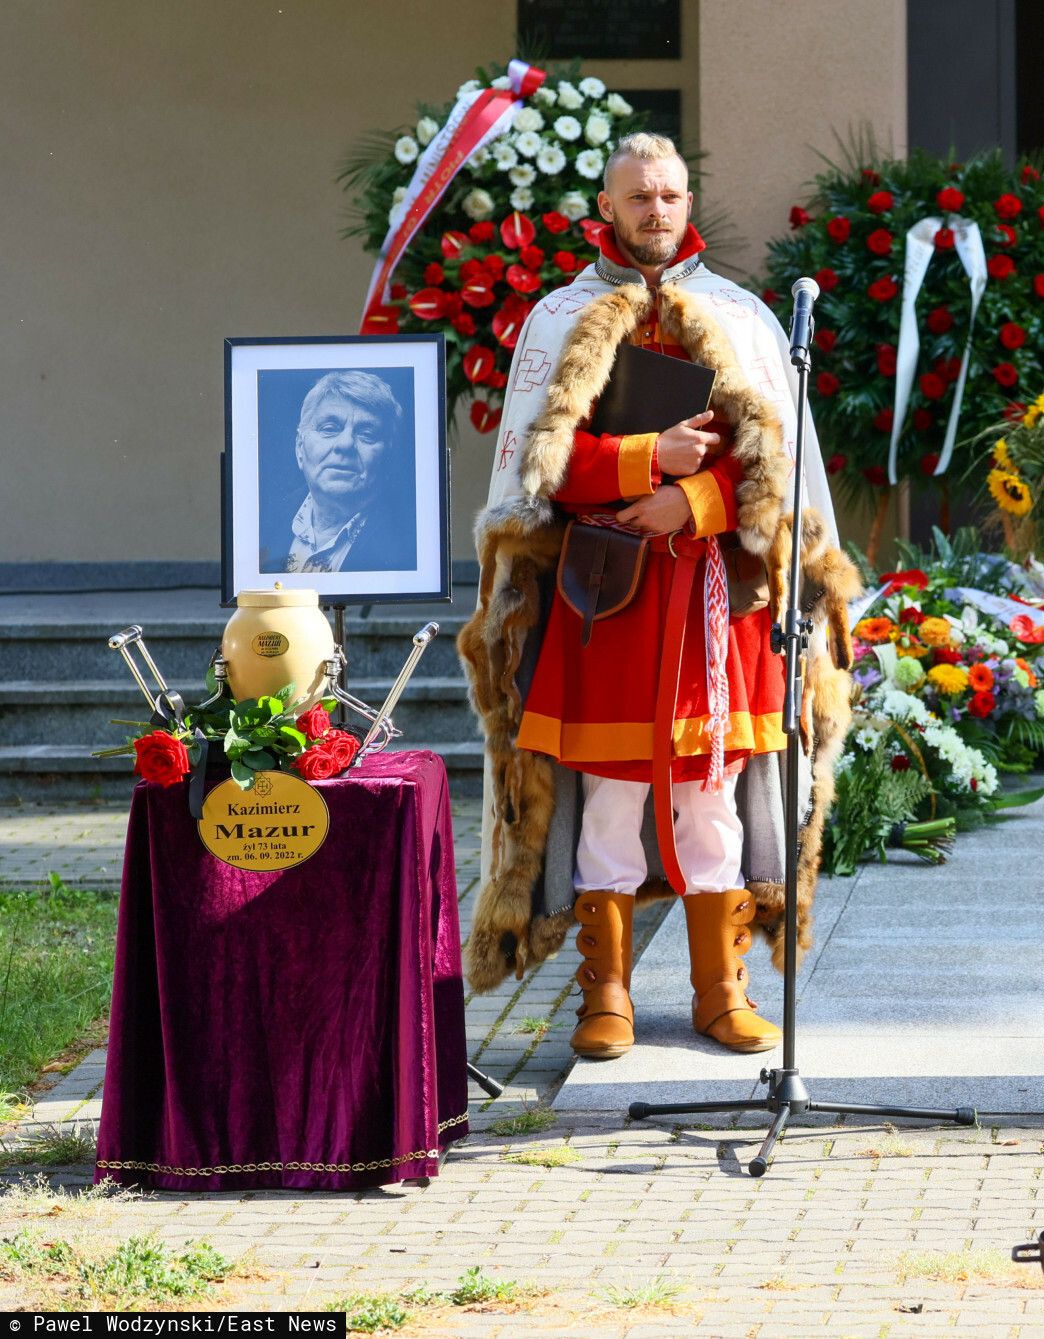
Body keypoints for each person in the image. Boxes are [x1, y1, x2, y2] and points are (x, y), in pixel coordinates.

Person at [459, 132, 857, 1061]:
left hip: (721, 600)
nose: (656, 210)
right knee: (606, 799)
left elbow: (777, 470)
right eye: (638, 196)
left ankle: (721, 990)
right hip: (605, 603)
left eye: (671, 195)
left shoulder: (746, 317)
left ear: (688, 203)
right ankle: (606, 996)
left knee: (712, 797)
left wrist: (691, 494)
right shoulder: (560, 318)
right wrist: (645, 459)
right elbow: (535, 477)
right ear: (608, 208)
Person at [266, 370, 416, 573]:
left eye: (367, 434)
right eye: (329, 428)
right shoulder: (262, 525)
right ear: (300, 448)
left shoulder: (409, 544)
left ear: (387, 455)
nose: (345, 444)